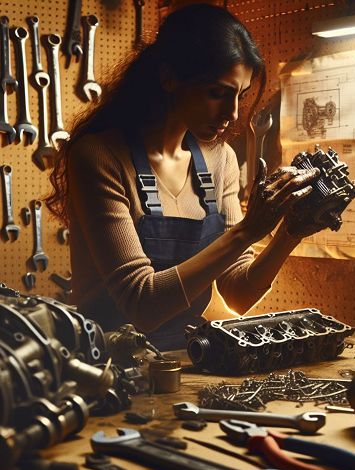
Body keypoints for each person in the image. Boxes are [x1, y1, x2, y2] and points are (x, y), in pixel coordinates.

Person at [46, 3, 321, 351]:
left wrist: (290, 232)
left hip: (187, 363)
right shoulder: (99, 157)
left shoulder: (219, 159)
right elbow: (141, 304)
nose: (232, 113)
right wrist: (247, 231)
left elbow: (238, 292)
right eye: (217, 93)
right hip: (109, 369)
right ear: (169, 77)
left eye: (241, 94)